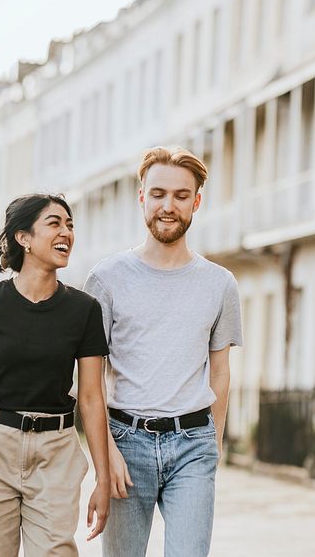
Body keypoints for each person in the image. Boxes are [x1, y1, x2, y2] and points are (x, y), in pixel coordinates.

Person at [83, 147, 242, 557]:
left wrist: (214, 445)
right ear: (141, 197)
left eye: (180, 195)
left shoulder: (220, 283)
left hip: (193, 444)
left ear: (196, 202)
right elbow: (87, 377)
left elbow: (220, 372)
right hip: (124, 442)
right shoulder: (106, 278)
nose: (168, 206)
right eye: (158, 194)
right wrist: (106, 453)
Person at [0, 193, 111, 557]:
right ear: (24, 238)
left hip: (56, 451)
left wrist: (103, 477)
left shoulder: (84, 311)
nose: (66, 232)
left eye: (70, 224)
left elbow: (93, 397)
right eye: (54, 223)